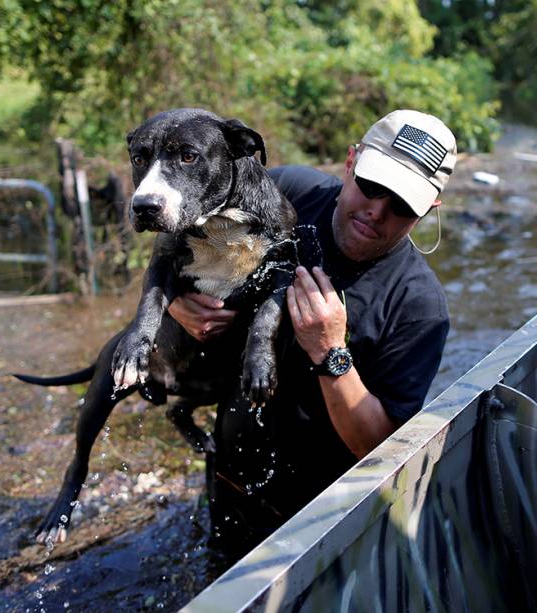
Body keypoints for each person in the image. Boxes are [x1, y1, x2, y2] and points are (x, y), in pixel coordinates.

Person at [168, 109, 457, 559]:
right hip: (229, 476)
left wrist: (330, 353)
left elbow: (382, 453)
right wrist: (177, 302)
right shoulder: (288, 193)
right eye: (373, 185)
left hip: (318, 520)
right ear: (350, 161)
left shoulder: (419, 307)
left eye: (402, 204)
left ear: (429, 210)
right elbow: (181, 230)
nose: (377, 211)